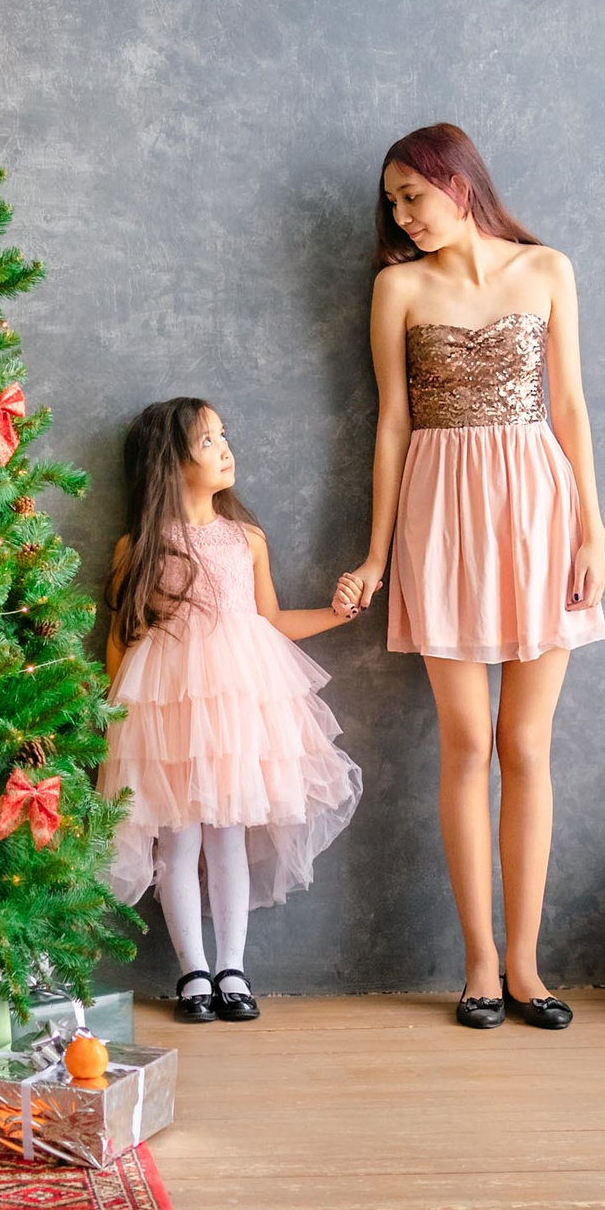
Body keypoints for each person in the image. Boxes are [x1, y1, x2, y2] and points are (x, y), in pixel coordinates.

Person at [332, 123, 605, 1031]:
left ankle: (528, 964)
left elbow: (569, 404)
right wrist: (376, 553)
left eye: (413, 194)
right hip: (440, 516)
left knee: (527, 745)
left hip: (539, 510)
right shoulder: (397, 288)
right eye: (392, 201)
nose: (401, 215)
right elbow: (391, 427)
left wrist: (592, 530)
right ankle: (479, 963)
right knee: (467, 743)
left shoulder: (548, 269)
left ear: (461, 182)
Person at [99, 398, 365, 1023]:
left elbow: (268, 622)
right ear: (171, 461)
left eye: (224, 434)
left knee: (228, 837)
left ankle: (232, 970)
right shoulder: (137, 546)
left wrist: (335, 614)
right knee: (177, 839)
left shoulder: (246, 539)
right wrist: (119, 729)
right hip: (168, 716)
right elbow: (121, 640)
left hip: (238, 710)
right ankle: (192, 972)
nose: (225, 447)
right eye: (208, 440)